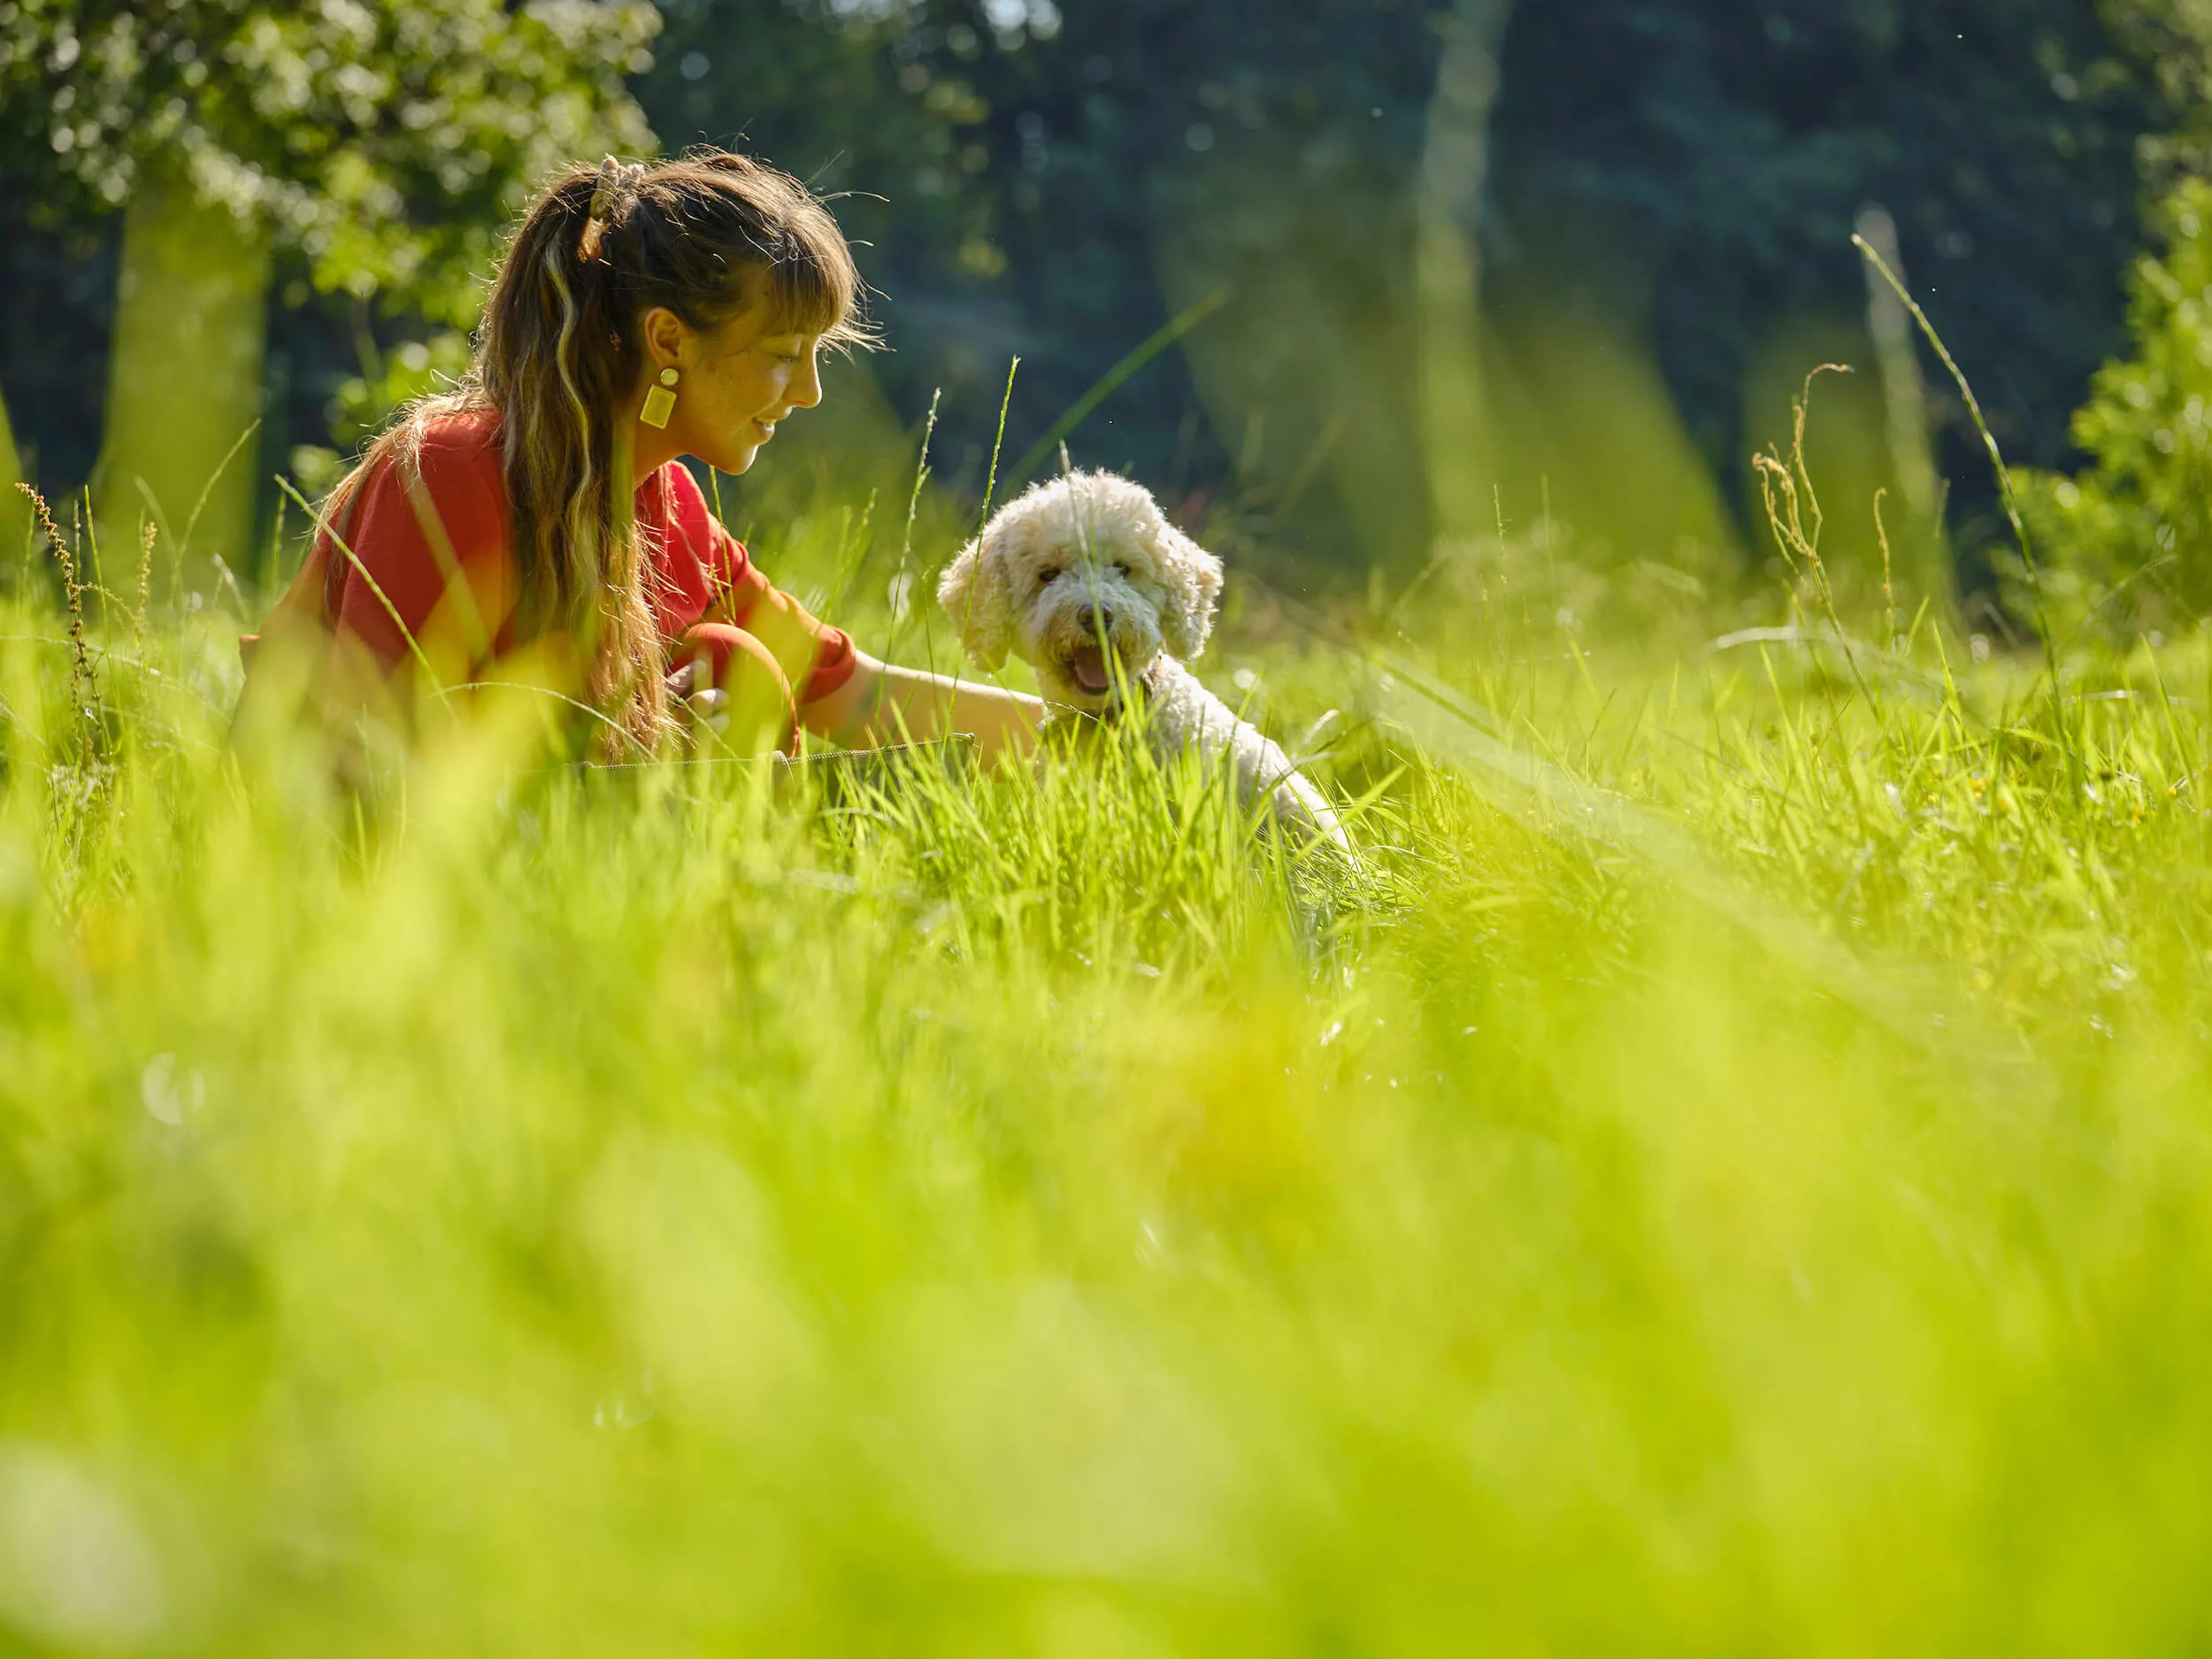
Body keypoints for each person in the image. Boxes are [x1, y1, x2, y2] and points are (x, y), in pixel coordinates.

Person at [238, 150, 1043, 766]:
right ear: (668, 339)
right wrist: (638, 749)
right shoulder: (451, 472)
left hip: (549, 891)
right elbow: (370, 753)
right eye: (782, 353)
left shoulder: (671, 507)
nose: (808, 394)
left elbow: (841, 684)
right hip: (346, 903)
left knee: (741, 664)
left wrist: (1100, 725)